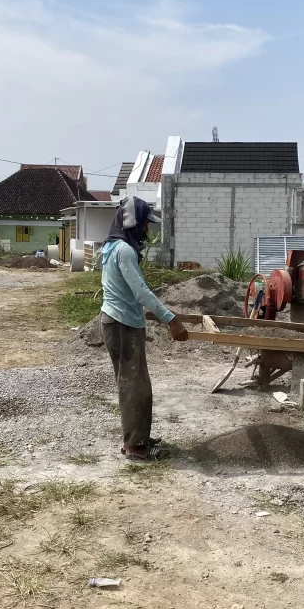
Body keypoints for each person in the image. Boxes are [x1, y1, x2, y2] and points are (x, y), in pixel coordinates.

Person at [100, 196, 188, 462]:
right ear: (133, 222)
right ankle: (135, 447)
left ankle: (137, 437)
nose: (148, 230)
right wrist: (171, 319)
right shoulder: (124, 251)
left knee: (138, 384)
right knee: (132, 386)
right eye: (146, 224)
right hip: (122, 325)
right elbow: (141, 292)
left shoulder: (115, 246)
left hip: (122, 322)